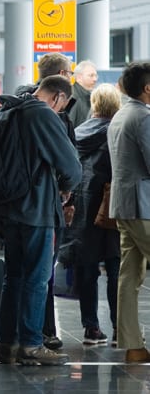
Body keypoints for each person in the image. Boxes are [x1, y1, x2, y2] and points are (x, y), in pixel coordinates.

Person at [0, 75, 81, 366]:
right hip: (38, 208)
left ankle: (8, 343)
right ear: (58, 98)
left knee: (13, 276)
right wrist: (67, 187)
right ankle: (31, 344)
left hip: (10, 207)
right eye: (62, 106)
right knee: (37, 277)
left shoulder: (11, 108)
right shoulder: (43, 113)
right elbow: (70, 165)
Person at [60, 84, 120, 346]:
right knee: (116, 269)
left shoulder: (78, 133)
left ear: (94, 104)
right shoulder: (115, 132)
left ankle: (91, 327)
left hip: (84, 208)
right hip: (112, 208)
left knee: (88, 269)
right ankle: (120, 326)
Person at [107, 62, 150, 363]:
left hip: (123, 204)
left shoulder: (120, 114)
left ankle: (133, 346)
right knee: (128, 275)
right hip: (144, 206)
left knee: (129, 275)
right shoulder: (143, 117)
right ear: (147, 88)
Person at [67, 60, 99, 128]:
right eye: (91, 75)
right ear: (79, 78)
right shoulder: (72, 97)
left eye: (96, 75)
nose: (95, 79)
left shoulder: (90, 96)